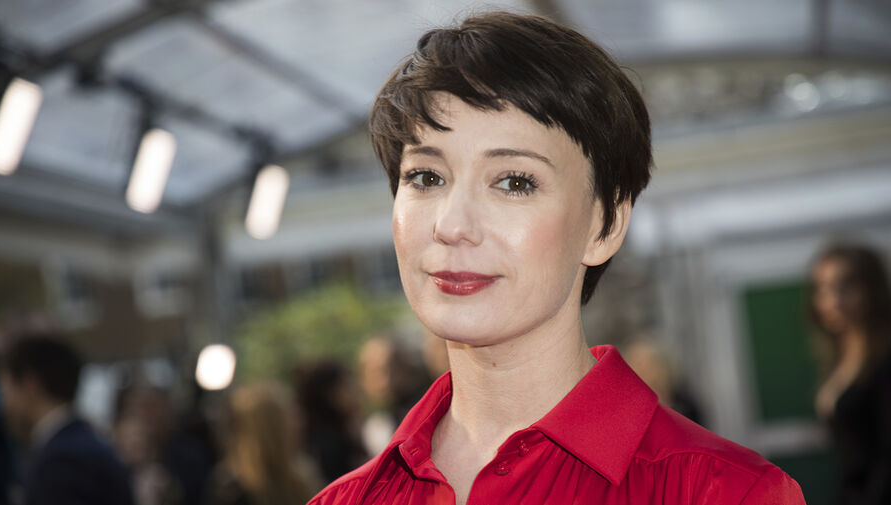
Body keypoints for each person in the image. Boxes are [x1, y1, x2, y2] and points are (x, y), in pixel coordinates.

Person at [308, 11, 804, 505]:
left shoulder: (725, 492)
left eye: (514, 182)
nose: (451, 224)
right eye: (426, 177)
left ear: (604, 226)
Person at [0, 333, 134, 505]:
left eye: (6, 390)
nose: (4, 404)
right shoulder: (81, 446)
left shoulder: (61, 462)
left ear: (30, 385)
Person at [810, 243, 891, 504]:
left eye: (846, 286)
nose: (833, 301)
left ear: (871, 289)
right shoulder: (840, 360)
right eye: (823, 289)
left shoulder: (884, 360)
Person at [203, 381, 320, 505]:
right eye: (291, 417)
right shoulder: (230, 491)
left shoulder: (301, 478)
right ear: (270, 430)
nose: (300, 424)